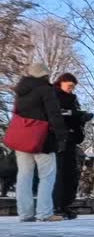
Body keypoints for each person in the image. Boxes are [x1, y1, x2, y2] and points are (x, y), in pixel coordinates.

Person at [7, 63, 68, 222]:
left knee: (24, 176)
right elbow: (54, 115)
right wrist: (62, 136)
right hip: (43, 140)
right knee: (47, 176)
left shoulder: (20, 92)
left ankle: (25, 214)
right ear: (44, 75)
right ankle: (44, 213)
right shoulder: (46, 90)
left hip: (22, 139)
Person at [52, 72, 93, 219]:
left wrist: (82, 117)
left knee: (71, 174)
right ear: (61, 82)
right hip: (57, 138)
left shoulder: (73, 99)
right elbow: (56, 115)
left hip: (71, 138)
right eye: (69, 86)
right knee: (59, 173)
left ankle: (65, 204)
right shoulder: (52, 95)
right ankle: (56, 206)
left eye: (73, 87)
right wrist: (74, 114)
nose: (71, 89)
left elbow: (74, 116)